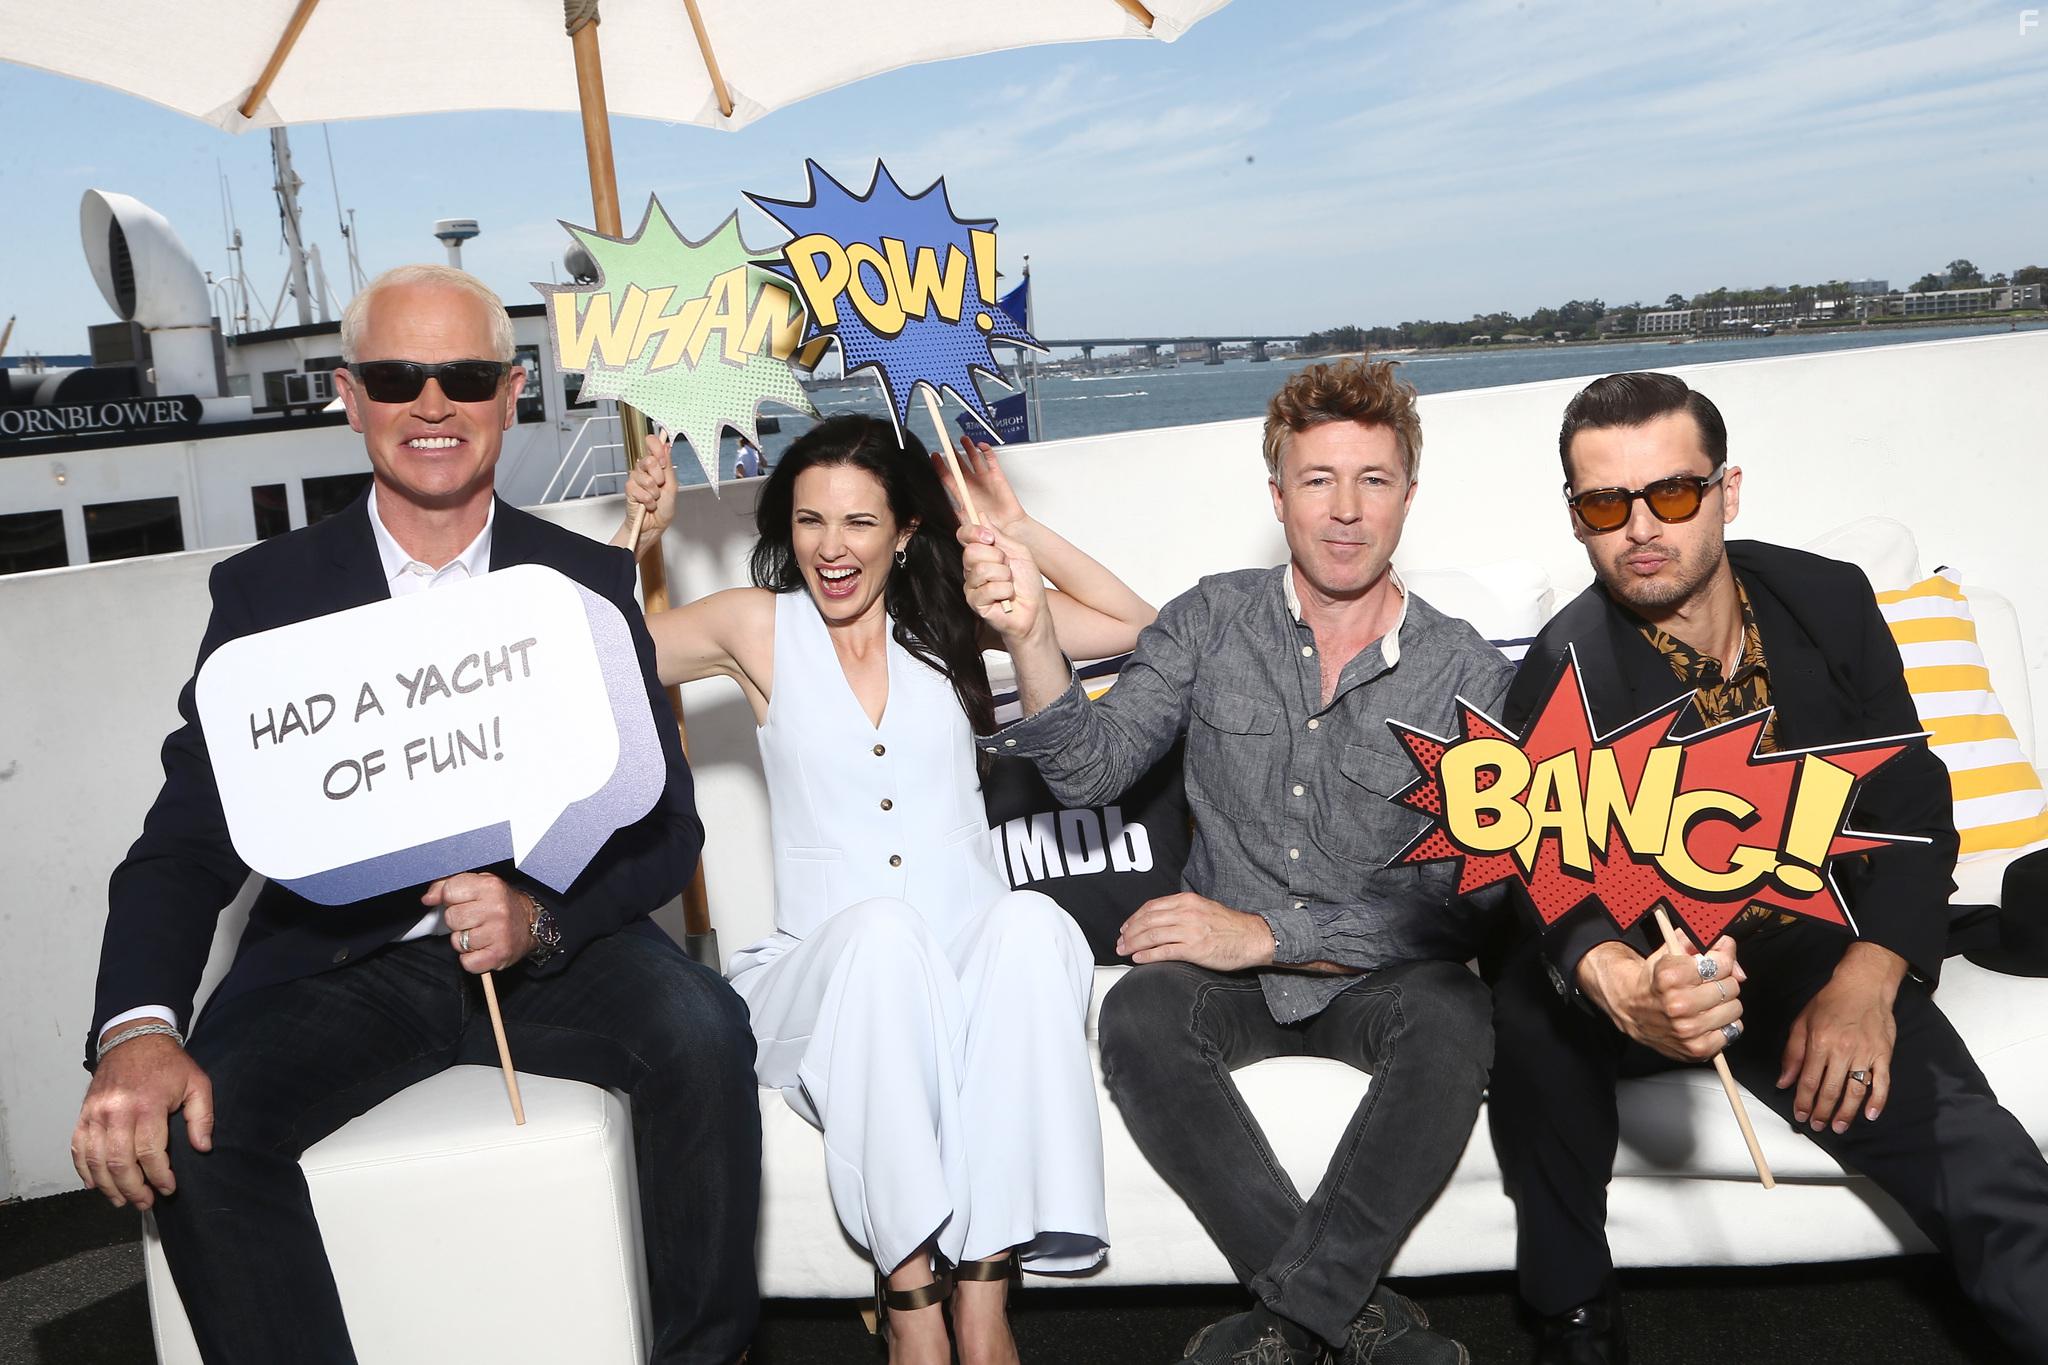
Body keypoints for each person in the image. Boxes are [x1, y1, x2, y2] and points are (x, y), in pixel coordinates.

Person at [70, 265, 761, 1365]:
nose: (431, 405)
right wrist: (139, 1029)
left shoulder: (586, 581)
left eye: (464, 376)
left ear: (509, 391)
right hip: (331, 968)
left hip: (550, 947)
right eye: (398, 378)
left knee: (702, 1033)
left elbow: (666, 827)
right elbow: (186, 842)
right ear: (350, 396)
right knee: (200, 1133)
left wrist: (538, 915)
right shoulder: (265, 596)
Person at [1485, 371, 2048, 1365]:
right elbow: (1549, 881)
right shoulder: (1559, 673)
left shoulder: (1824, 600)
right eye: (1603, 504)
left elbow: (1910, 799)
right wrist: (1619, 988)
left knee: (1986, 1165)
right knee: (1531, 1019)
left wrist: (1871, 972)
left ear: (1724, 492)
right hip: (1645, 953)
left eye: (1669, 494)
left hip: (1793, 950)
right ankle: (1567, 1317)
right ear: (1575, 517)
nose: (1639, 530)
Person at [965, 357, 1509, 1365]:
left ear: (1407, 496)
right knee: (1135, 1012)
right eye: (1315, 480)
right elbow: (1089, 769)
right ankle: (1364, 1329)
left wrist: (1267, 934)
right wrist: (1030, 632)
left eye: (1372, 480)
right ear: (1276, 496)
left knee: (1456, 1013)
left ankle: (1290, 1324)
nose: (1344, 511)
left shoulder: (1468, 671)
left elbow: (1457, 907)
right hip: (1225, 984)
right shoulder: (1209, 617)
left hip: (1375, 973)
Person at [617, 414, 1154, 1365]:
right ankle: (909, 1295)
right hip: (824, 984)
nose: (832, 547)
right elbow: (597, 657)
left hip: (965, 961)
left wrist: (1018, 535)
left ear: (905, 531)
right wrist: (637, 539)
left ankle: (985, 1296)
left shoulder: (954, 618)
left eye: (861, 523)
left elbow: (1133, 626)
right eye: (812, 520)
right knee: (878, 934)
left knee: (1034, 925)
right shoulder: (757, 627)